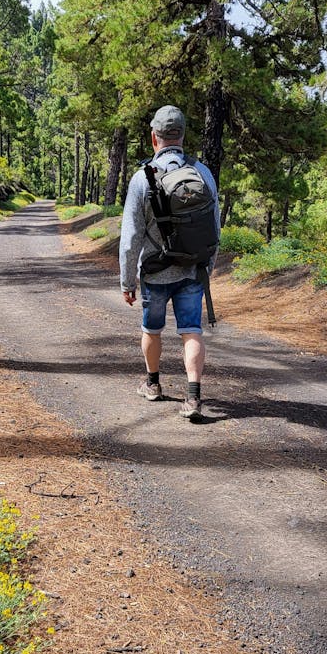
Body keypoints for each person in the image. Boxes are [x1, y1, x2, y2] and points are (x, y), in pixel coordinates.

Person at [119, 105, 220, 420]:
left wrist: (127, 281)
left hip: (155, 271)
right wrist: (207, 269)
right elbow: (214, 228)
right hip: (193, 269)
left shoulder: (141, 177)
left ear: (154, 138)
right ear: (183, 135)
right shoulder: (202, 173)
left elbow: (131, 235)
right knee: (192, 331)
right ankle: (193, 398)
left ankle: (152, 385)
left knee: (152, 329)